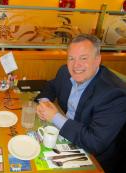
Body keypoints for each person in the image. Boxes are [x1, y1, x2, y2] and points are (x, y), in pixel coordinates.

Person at [35, 34, 126, 173]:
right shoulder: (65, 71)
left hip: (93, 158)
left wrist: (55, 117)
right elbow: (51, 86)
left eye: (83, 58)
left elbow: (95, 142)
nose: (76, 65)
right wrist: (44, 102)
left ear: (97, 60)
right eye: (71, 58)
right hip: (65, 136)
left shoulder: (114, 95)